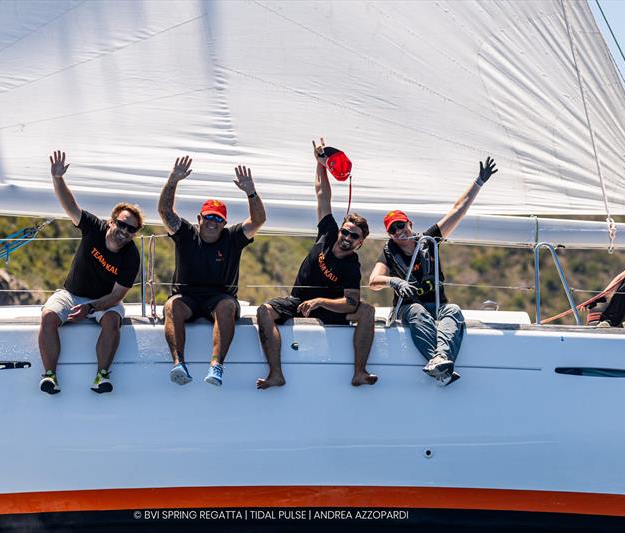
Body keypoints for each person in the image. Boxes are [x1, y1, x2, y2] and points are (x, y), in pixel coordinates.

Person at [256, 139, 377, 389]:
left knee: (367, 311)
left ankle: (360, 372)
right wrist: (320, 164)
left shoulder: (352, 266)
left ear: (360, 243)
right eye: (346, 232)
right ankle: (275, 373)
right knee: (263, 311)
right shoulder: (328, 233)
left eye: (354, 236)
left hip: (328, 309)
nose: (347, 238)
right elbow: (322, 194)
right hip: (298, 302)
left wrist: (321, 301)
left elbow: (351, 302)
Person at [368, 157, 498, 386]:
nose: (399, 232)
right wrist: (394, 282)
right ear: (390, 235)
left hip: (438, 305)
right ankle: (441, 361)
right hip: (408, 309)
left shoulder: (429, 241)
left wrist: (479, 182)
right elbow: (374, 281)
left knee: (454, 310)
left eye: (401, 225)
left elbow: (457, 210)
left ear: (410, 223)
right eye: (393, 230)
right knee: (417, 309)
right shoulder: (388, 253)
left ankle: (440, 361)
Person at [38, 151, 142, 394]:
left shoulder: (132, 256)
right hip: (71, 293)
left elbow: (117, 296)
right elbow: (70, 206)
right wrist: (57, 178)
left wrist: (92, 307)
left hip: (104, 300)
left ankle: (102, 376)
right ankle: (50, 376)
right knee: (48, 316)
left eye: (131, 229)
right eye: (122, 224)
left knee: (112, 321)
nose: (125, 232)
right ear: (111, 222)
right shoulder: (93, 227)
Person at [158, 156, 266, 386]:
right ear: (199, 218)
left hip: (219, 298)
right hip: (187, 298)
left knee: (227, 305)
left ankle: (216, 367)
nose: (213, 222)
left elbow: (258, 220)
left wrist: (251, 192)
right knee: (171, 305)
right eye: (209, 217)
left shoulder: (233, 237)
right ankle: (179, 364)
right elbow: (165, 211)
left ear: (224, 223)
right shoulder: (186, 233)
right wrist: (174, 179)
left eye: (218, 219)